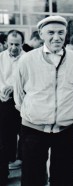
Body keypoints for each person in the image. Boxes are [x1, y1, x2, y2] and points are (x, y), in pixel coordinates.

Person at [14, 16, 73, 186]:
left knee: (64, 176)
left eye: (61, 33)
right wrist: (35, 112)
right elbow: (19, 95)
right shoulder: (27, 60)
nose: (56, 37)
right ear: (41, 34)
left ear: (66, 34)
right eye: (51, 33)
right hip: (33, 128)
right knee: (32, 177)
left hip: (65, 129)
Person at [0, 30, 25, 185]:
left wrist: (14, 88)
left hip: (23, 103)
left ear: (22, 43)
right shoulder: (0, 57)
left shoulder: (28, 58)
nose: (13, 47)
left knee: (26, 140)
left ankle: (28, 175)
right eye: (11, 44)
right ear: (6, 43)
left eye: (17, 44)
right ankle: (3, 176)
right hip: (4, 103)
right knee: (3, 141)